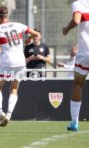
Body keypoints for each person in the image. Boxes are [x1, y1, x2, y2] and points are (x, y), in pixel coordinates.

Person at [62, 0, 89, 131]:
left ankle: (74, 122)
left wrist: (66, 29)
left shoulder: (78, 4)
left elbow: (77, 20)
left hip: (85, 52)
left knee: (78, 84)